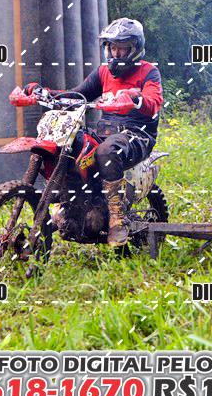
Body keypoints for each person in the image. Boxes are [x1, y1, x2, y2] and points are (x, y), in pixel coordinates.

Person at [22, 18, 163, 246]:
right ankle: (68, 201)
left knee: (106, 151)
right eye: (112, 47)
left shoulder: (149, 71)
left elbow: (154, 100)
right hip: (106, 133)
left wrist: (136, 97)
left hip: (137, 135)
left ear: (135, 48)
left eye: (122, 48)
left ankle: (117, 217)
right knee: (72, 144)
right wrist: (44, 93)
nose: (116, 53)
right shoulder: (104, 72)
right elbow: (77, 94)